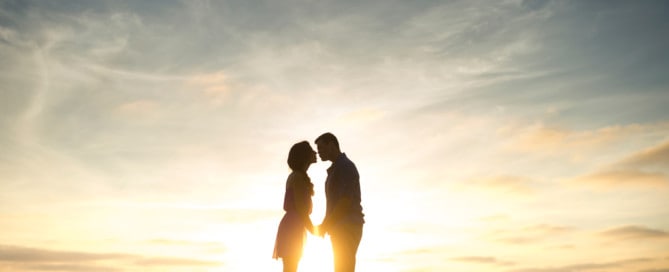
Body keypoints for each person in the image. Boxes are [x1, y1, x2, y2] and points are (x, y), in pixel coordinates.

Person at [314, 132, 364, 272]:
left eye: (321, 149)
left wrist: (326, 224)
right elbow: (333, 203)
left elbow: (344, 202)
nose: (319, 153)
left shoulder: (345, 167)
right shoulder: (337, 168)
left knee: (344, 268)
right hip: (339, 226)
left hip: (347, 225)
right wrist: (326, 224)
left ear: (331, 145)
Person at [273, 141, 317, 272]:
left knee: (292, 266)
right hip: (293, 225)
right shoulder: (297, 177)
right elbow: (302, 209)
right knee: (291, 267)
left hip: (296, 224)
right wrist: (315, 230)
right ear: (304, 156)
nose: (315, 152)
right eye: (311, 150)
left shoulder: (298, 176)